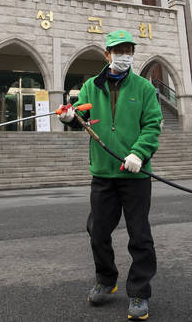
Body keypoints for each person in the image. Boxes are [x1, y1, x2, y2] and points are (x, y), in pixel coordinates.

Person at [59, 29, 162, 321]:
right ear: (107, 55)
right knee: (98, 231)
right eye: (118, 51)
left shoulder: (143, 88)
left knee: (139, 235)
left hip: (135, 175)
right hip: (103, 173)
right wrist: (70, 117)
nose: (124, 56)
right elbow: (81, 115)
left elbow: (153, 125)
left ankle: (140, 292)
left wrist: (139, 154)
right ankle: (106, 280)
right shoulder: (91, 85)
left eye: (128, 51)